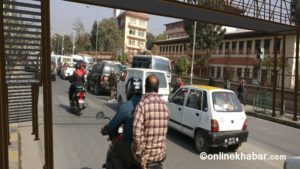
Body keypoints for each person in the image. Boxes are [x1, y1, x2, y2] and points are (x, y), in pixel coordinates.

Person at [101, 77, 142, 169]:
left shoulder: (127, 106)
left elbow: (113, 126)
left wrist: (107, 130)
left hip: (133, 148)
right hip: (151, 149)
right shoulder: (145, 104)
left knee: (115, 148)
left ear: (129, 89)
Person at [133, 74, 170, 169]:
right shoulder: (165, 107)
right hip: (161, 155)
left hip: (146, 157)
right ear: (157, 88)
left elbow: (136, 133)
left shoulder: (142, 105)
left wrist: (142, 155)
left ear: (145, 87)